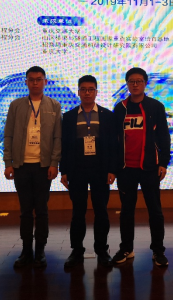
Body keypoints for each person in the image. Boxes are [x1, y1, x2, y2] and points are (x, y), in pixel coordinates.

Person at [3, 66, 62, 268]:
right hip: (21, 166)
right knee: (25, 210)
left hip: (43, 167)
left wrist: (54, 163)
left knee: (42, 210)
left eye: (39, 79)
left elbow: (57, 138)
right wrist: (8, 163)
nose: (35, 82)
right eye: (31, 79)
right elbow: (8, 135)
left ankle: (40, 251)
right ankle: (26, 250)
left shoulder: (54, 105)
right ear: (26, 82)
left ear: (45, 81)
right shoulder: (16, 105)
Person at [112, 68, 171, 267]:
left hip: (150, 168)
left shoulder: (155, 107)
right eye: (131, 81)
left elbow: (163, 136)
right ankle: (126, 248)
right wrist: (114, 167)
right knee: (126, 211)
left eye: (139, 81)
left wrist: (163, 162)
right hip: (126, 169)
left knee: (155, 211)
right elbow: (115, 140)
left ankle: (158, 251)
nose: (135, 84)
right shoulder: (120, 108)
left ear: (145, 83)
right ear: (127, 84)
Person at [60, 75, 120, 268]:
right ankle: (76, 251)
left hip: (100, 170)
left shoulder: (107, 115)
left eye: (91, 89)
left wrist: (112, 169)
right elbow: (64, 146)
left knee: (101, 211)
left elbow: (113, 145)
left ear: (96, 92)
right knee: (78, 212)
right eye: (83, 89)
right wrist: (64, 170)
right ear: (78, 92)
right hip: (77, 170)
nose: (87, 93)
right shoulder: (69, 117)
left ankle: (102, 250)